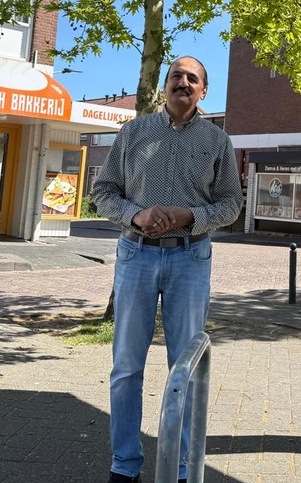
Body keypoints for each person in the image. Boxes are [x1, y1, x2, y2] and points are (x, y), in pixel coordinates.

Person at [92, 56, 244, 483]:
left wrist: (188, 216)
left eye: (192, 78)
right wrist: (137, 215)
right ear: (164, 86)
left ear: (204, 91)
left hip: (190, 258)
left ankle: (179, 468)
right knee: (126, 367)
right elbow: (102, 193)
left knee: (187, 368)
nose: (183, 82)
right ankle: (124, 466)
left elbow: (231, 204)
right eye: (176, 75)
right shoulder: (133, 133)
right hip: (136, 254)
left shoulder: (218, 142)